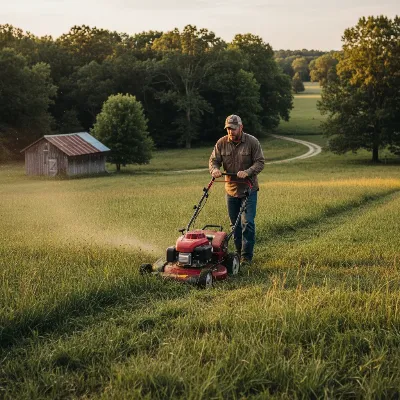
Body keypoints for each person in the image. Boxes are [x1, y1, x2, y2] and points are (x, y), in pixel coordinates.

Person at [209, 114, 265, 266]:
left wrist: (247, 171)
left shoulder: (252, 142)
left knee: (248, 223)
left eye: (233, 129)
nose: (230, 132)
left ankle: (246, 258)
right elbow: (214, 161)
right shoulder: (221, 143)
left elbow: (260, 162)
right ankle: (238, 255)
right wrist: (214, 170)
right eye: (228, 129)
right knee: (235, 225)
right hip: (231, 190)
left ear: (241, 127)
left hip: (249, 189)